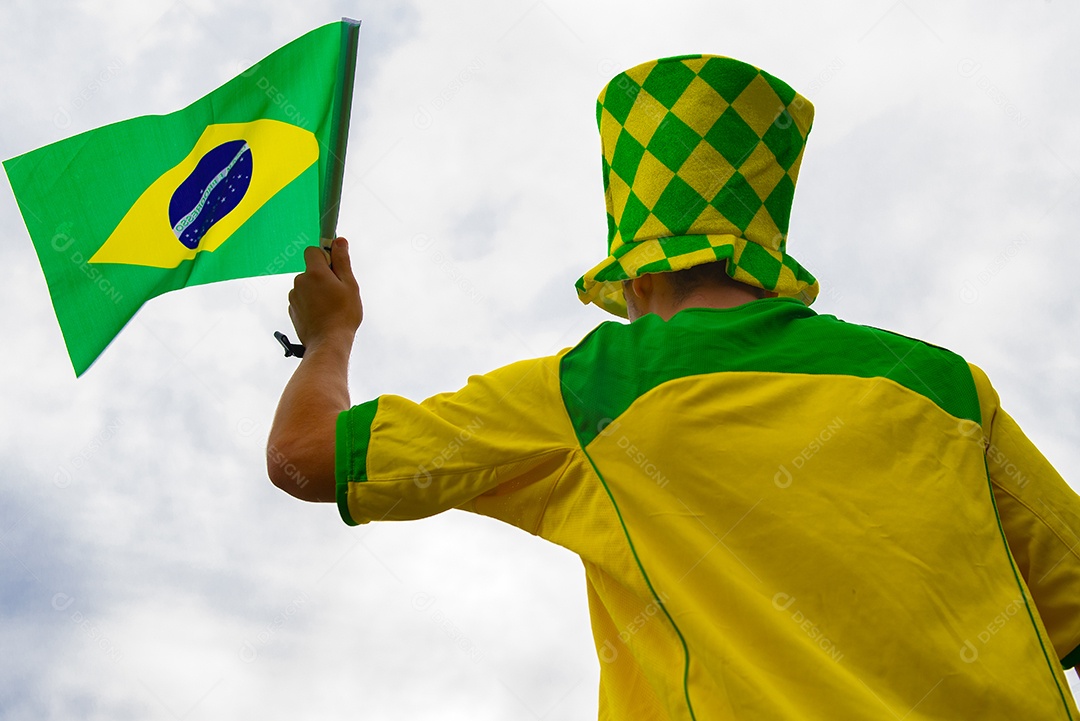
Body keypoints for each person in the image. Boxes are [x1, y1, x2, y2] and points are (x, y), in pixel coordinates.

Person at [267, 55, 1080, 719]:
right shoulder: (945, 386)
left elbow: (306, 457)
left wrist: (329, 337)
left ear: (633, 277)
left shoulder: (595, 388)